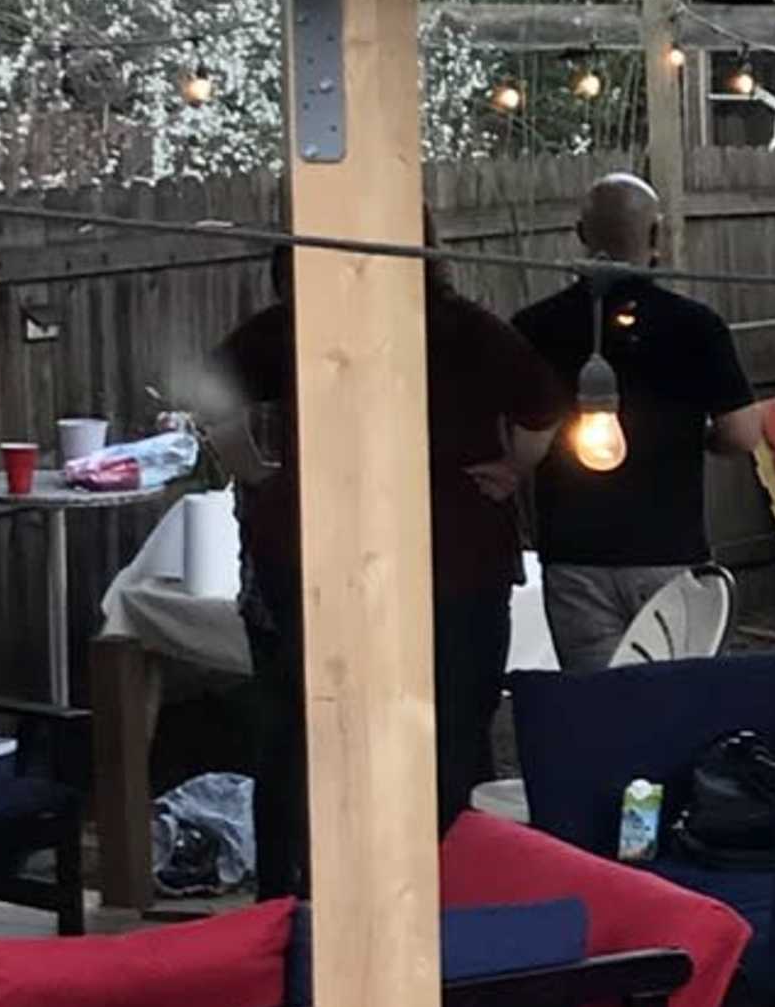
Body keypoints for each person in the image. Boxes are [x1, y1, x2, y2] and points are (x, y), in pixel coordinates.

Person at [205, 246, 562, 890]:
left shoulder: (296, 324)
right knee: (452, 727)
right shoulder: (467, 328)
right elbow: (541, 412)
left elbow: (209, 391)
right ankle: (448, 888)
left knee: (306, 731)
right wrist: (516, 468)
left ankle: (295, 902)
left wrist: (254, 472)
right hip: (449, 549)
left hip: (321, 548)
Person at [513, 173, 759, 672]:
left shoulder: (535, 328)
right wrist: (693, 437)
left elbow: (517, 444)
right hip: (669, 552)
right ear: (657, 237)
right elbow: (742, 434)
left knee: (600, 705)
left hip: (576, 555)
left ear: (581, 234)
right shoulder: (696, 327)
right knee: (673, 698)